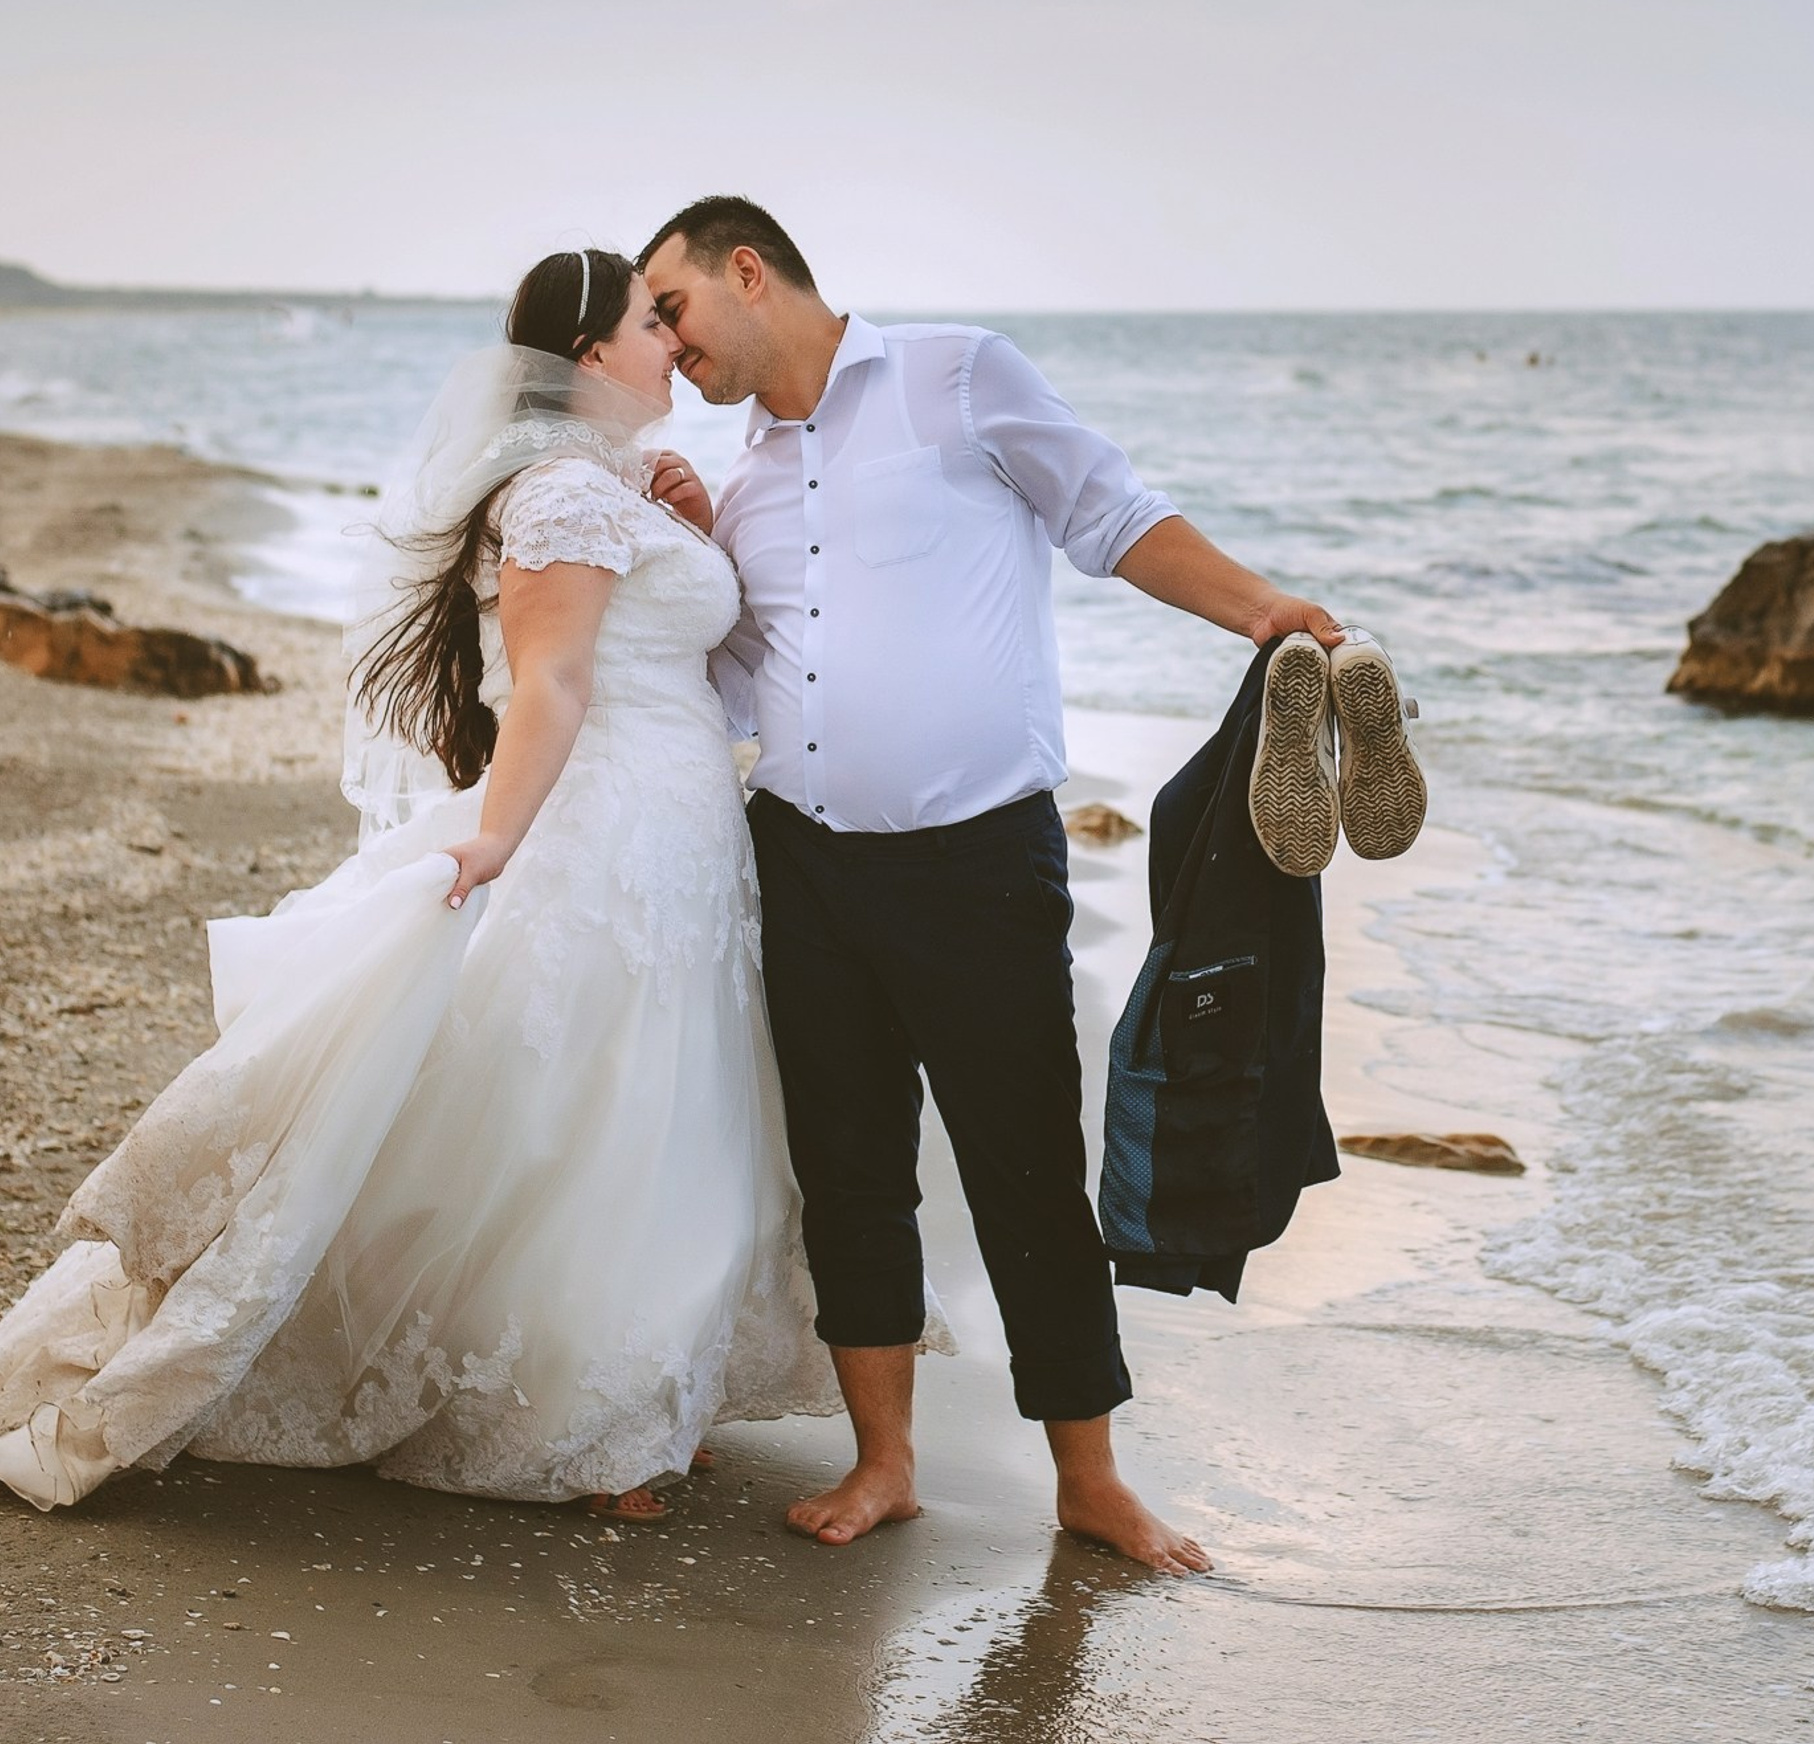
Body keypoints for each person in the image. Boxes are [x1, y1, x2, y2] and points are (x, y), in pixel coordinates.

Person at [0, 250, 865, 1518]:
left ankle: (636, 1398)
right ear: (589, 358)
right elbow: (555, 681)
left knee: (670, 1109)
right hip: (609, 822)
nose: (673, 342)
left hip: (687, 828)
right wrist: (499, 839)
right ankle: (581, 1423)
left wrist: (690, 521)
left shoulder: (614, 485)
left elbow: (686, 644)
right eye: (649, 321)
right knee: (597, 1109)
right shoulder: (564, 494)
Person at [639, 196, 1343, 1575]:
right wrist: (673, 554)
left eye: (672, 310)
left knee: (1025, 1172)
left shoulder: (957, 376)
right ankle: (883, 1463)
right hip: (805, 863)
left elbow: (1113, 512)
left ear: (746, 272)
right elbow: (736, 680)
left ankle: (1091, 1482)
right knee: (847, 1176)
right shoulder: (743, 482)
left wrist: (1263, 610)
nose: (664, 346)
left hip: (978, 864)